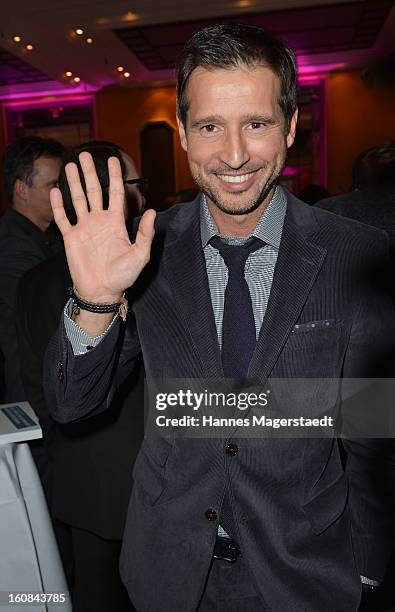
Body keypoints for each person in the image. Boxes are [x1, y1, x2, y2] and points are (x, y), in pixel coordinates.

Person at [44, 24, 395, 612]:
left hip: (305, 575)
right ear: (183, 133)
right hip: (167, 572)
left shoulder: (356, 253)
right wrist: (97, 299)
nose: (234, 155)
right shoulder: (143, 253)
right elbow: (73, 404)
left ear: (288, 126)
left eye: (255, 124)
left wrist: (367, 570)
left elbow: (373, 431)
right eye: (210, 126)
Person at [16, 141, 145, 612]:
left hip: (76, 483)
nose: (142, 195)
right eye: (134, 184)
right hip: (143, 487)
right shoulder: (144, 269)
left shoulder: (32, 281)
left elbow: (31, 382)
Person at [0, 136, 64, 402]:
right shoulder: (12, 247)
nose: (61, 192)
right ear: (22, 190)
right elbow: (50, 314)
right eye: (53, 185)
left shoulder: (49, 236)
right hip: (32, 394)